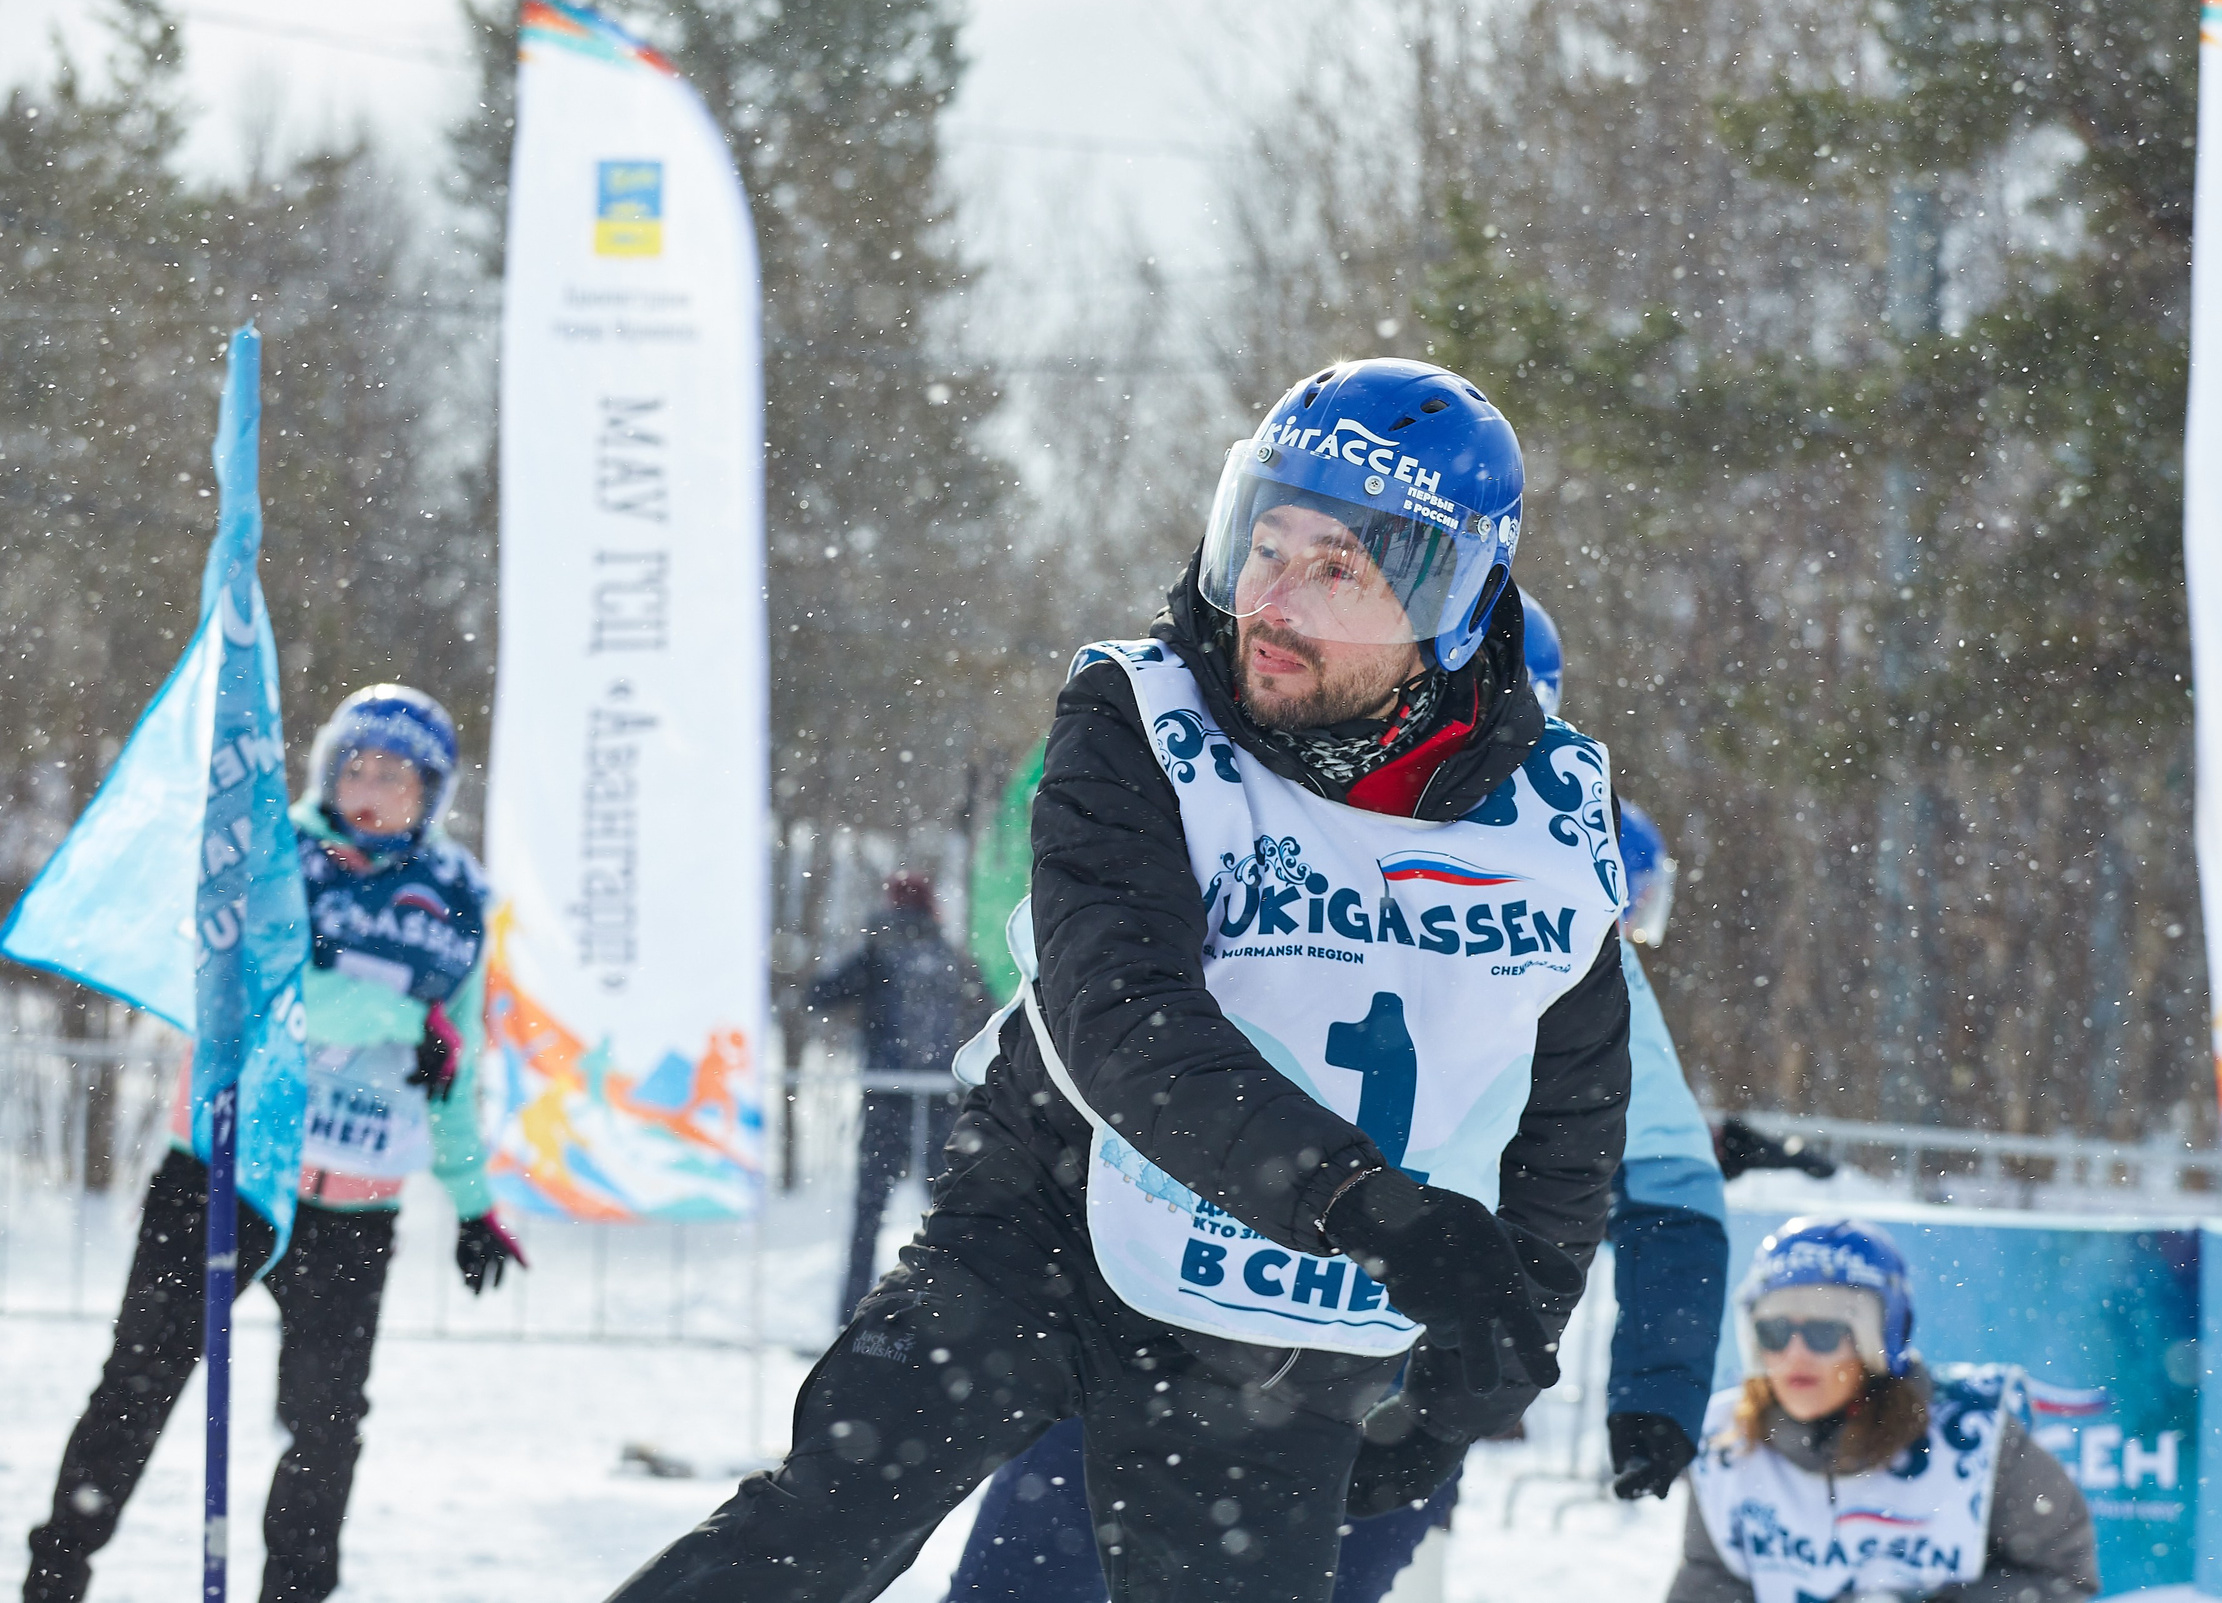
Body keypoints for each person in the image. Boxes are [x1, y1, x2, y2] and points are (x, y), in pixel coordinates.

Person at [603, 357, 1632, 1603]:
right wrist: (1364, 1207)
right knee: (817, 1528)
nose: (1274, 599)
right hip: (1050, 1218)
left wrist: (1495, 1353)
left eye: (1338, 566)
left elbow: (1573, 1103)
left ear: (1447, 602)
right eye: (1265, 542)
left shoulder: (1553, 809)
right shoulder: (1140, 714)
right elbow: (1123, 1011)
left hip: (1278, 1313)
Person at [937, 592, 1721, 1602]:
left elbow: (1661, 1176)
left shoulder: (1556, 941)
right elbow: (1106, 1036)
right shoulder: (1229, 846)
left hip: (1368, 1373)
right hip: (1144, 1315)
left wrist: (1656, 1383)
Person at [25, 685, 526, 1603]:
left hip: (355, 1203)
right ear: (330, 769)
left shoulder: (454, 900)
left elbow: (455, 1066)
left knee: (328, 1422)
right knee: (141, 1377)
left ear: (433, 792)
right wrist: (401, 1012)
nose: (372, 787)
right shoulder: (271, 852)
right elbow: (268, 983)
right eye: (358, 765)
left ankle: (295, 1594)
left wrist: (472, 1202)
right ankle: (57, 1571)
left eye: (397, 774)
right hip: (225, 1172)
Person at [1670, 1219, 2098, 1603]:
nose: (1794, 1353)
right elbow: (1710, 1586)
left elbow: (2062, 1577)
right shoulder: (1726, 1443)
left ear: (1877, 1342)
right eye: (1774, 1331)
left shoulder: (1974, 1438)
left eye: (1824, 1331)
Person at [806, 872, 989, 1325]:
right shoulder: (952, 956)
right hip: (942, 1101)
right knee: (945, 1216)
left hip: (887, 1098)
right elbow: (984, 1015)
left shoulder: (879, 953)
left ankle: (851, 1318)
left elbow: (821, 994)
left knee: (868, 1214)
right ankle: (951, 1316)